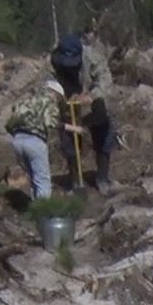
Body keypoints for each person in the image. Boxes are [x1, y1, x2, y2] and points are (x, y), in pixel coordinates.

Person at [51, 27, 119, 191]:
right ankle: (76, 181)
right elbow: (49, 83)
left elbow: (106, 81)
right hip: (67, 99)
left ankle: (102, 178)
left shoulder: (92, 57)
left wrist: (91, 95)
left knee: (104, 129)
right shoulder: (54, 59)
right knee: (68, 137)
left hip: (92, 97)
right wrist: (60, 98)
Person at [5, 80, 85, 200]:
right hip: (34, 141)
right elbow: (51, 123)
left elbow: (10, 122)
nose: (58, 101)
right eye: (59, 99)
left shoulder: (27, 101)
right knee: (42, 182)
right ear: (56, 94)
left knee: (33, 179)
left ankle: (35, 207)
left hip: (17, 141)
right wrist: (74, 128)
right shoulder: (49, 101)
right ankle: (44, 210)